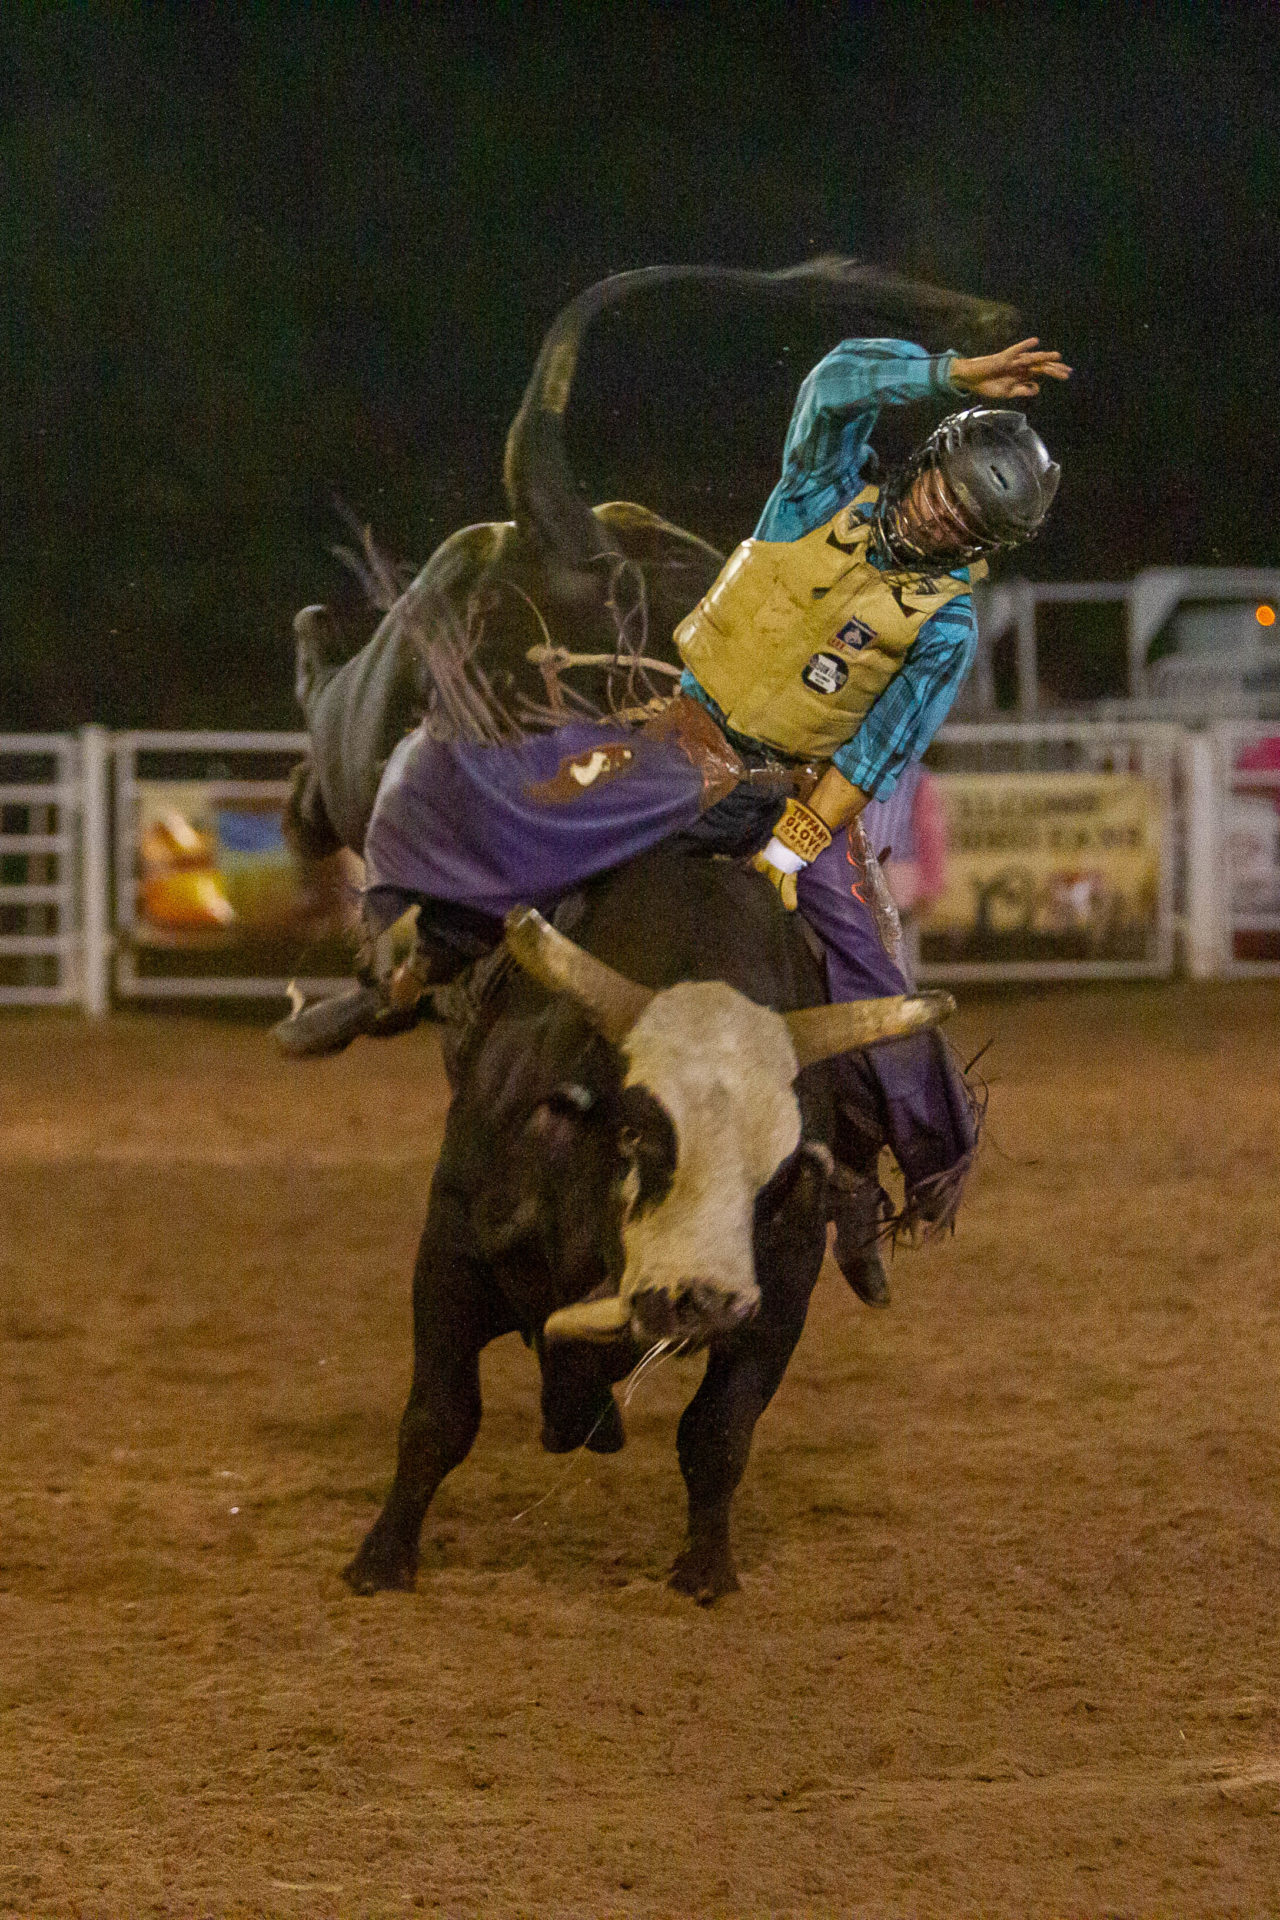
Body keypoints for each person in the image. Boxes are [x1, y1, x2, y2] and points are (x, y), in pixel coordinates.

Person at [281, 331, 1069, 1300]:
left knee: (871, 976)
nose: (938, 515)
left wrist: (790, 849)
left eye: (962, 518)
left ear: (978, 541)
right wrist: (946, 372)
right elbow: (829, 386)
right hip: (685, 746)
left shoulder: (941, 622)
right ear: (925, 462)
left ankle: (874, 1174)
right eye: (942, 488)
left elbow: (876, 750)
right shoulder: (819, 496)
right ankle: (411, 967)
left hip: (799, 789)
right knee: (516, 803)